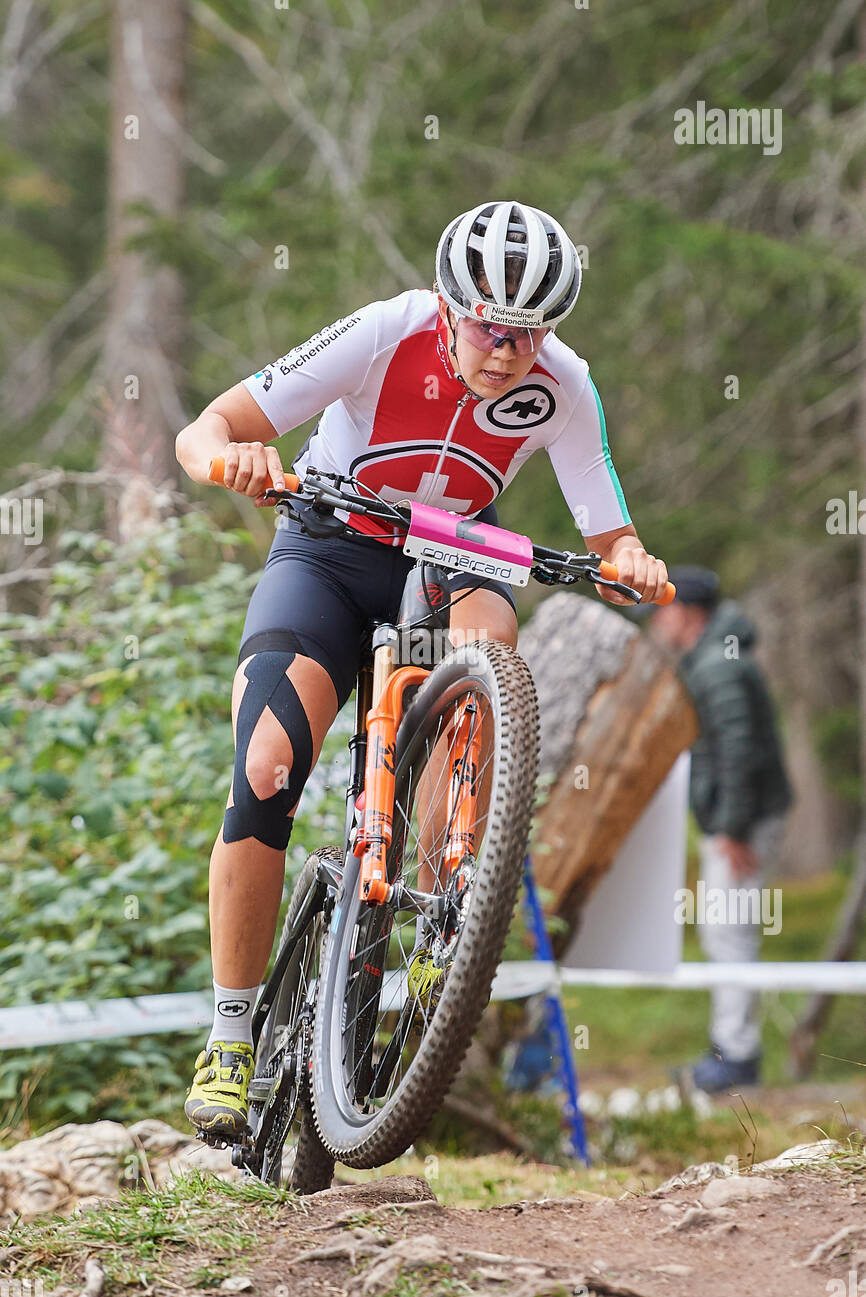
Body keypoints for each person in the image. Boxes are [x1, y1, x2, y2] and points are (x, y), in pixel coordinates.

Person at [175, 200, 670, 1137]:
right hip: (328, 550)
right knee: (266, 771)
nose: (509, 352)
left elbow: (611, 533)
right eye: (491, 327)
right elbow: (209, 426)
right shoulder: (383, 331)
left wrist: (630, 560)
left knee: (492, 648)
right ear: (448, 306)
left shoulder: (565, 385)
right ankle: (231, 1036)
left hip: (454, 561)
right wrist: (225, 460)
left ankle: (452, 897)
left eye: (532, 334)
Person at [650, 566, 792, 1091]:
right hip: (741, 817)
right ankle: (729, 1048)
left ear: (684, 612)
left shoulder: (718, 666)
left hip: (743, 823)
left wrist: (731, 829)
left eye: (662, 611)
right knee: (723, 930)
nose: (657, 623)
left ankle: (736, 1058)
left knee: (729, 933)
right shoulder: (715, 657)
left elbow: (737, 752)